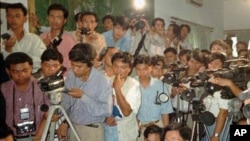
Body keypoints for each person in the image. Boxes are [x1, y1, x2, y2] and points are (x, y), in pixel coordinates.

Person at [59, 43, 113, 141]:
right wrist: (64, 121)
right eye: (72, 65)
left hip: (91, 130)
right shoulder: (71, 75)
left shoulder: (102, 80)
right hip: (72, 127)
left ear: (90, 64)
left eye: (79, 67)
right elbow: (66, 102)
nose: (75, 70)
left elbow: (106, 110)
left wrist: (83, 97)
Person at [1, 52, 49, 141]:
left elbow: (48, 114)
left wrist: (39, 136)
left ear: (31, 68)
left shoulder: (42, 86)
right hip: (12, 138)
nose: (21, 75)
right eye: (16, 72)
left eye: (25, 71)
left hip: (39, 136)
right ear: (8, 71)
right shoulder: (3, 89)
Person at [103, 51, 141, 141]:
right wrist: (104, 118)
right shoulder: (105, 82)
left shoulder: (134, 85)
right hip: (107, 130)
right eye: (115, 66)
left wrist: (117, 89)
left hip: (126, 132)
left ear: (129, 69)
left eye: (123, 67)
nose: (118, 70)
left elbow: (126, 112)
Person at [134, 55, 173, 141]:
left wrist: (166, 132)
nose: (142, 72)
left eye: (145, 69)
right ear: (135, 69)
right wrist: (136, 126)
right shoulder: (132, 84)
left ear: (150, 68)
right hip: (140, 128)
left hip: (158, 127)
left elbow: (165, 111)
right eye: (138, 69)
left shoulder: (160, 85)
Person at [1, 3, 46, 73]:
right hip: (8, 80)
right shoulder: (1, 39)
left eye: (17, 16)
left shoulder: (34, 39)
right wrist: (7, 49)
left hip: (33, 78)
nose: (13, 19)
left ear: (25, 19)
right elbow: (3, 64)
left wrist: (17, 62)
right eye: (9, 16)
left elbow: (42, 60)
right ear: (6, 18)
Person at [40, 3, 76, 70]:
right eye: (52, 16)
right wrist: (42, 47)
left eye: (59, 18)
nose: (54, 20)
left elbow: (71, 64)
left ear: (64, 21)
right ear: (47, 18)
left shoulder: (70, 41)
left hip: (63, 77)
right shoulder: (41, 37)